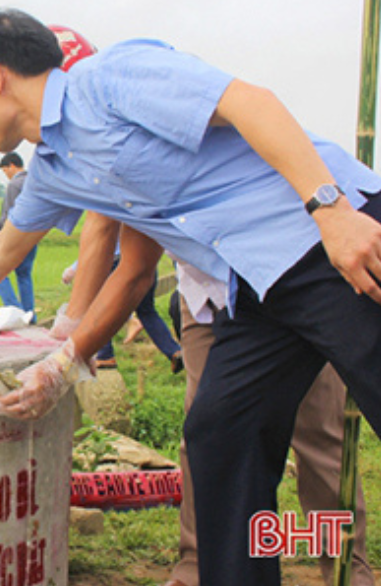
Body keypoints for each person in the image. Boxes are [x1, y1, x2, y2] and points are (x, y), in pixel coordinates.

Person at [0, 9, 381, 585]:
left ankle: (345, 560)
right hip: (251, 287)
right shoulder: (53, 167)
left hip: (322, 241)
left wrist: (330, 210)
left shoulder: (112, 78)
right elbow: (5, 248)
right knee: (221, 436)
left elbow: (251, 103)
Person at [54, 212, 374, 586]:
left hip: (286, 278)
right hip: (206, 294)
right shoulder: (117, 167)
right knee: (206, 435)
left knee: (319, 435)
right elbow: (110, 230)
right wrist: (75, 333)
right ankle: (197, 565)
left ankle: (347, 569)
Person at [61, 228, 183, 372]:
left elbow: (100, 240)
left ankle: (105, 356)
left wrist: (74, 268)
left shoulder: (110, 211)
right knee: (147, 312)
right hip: (145, 261)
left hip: (116, 263)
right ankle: (174, 351)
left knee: (101, 308)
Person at [0, 151, 37, 319]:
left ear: (12, 166)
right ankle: (29, 314)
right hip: (33, 235)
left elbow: (10, 216)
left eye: (5, 170)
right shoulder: (33, 182)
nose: (6, 175)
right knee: (24, 276)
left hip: (16, 237)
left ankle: (15, 310)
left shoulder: (15, 185)